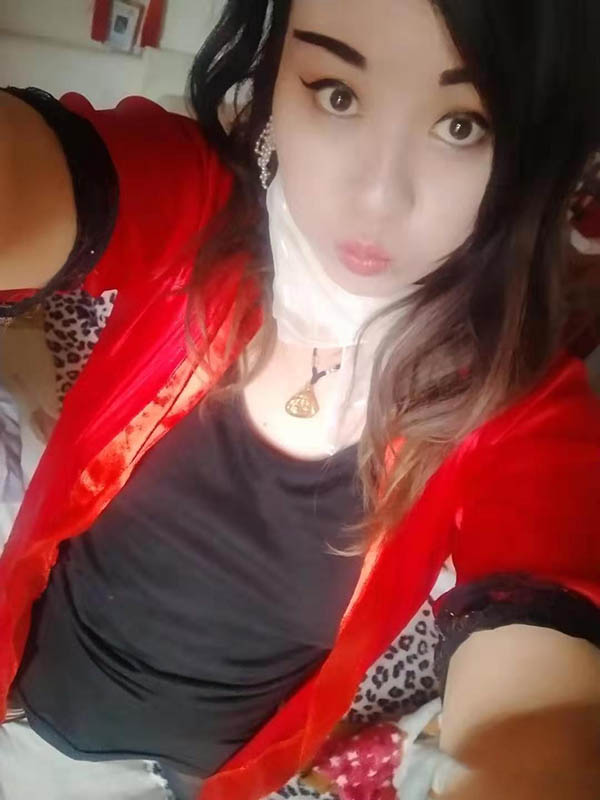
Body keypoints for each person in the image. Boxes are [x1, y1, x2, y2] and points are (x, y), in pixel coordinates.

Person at [1, 1, 600, 798]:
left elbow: (540, 710)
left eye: (462, 125)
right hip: (26, 703)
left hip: (211, 777)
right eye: (337, 93)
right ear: (276, 74)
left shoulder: (515, 404)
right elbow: (32, 174)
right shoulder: (195, 205)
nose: (377, 196)